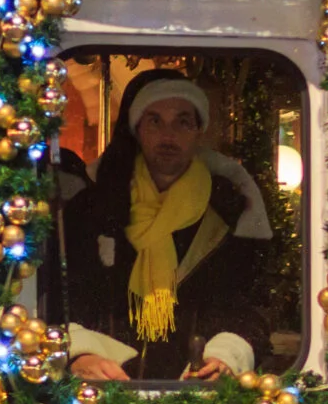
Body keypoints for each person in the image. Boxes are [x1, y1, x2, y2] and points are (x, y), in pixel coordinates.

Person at [58, 72, 271, 381]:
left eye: (182, 121)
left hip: (197, 398)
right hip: (106, 393)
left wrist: (225, 356)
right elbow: (63, 297)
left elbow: (252, 307)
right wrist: (80, 354)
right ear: (138, 129)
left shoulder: (230, 211)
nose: (168, 135)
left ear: (199, 130)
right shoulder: (95, 207)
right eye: (155, 121)